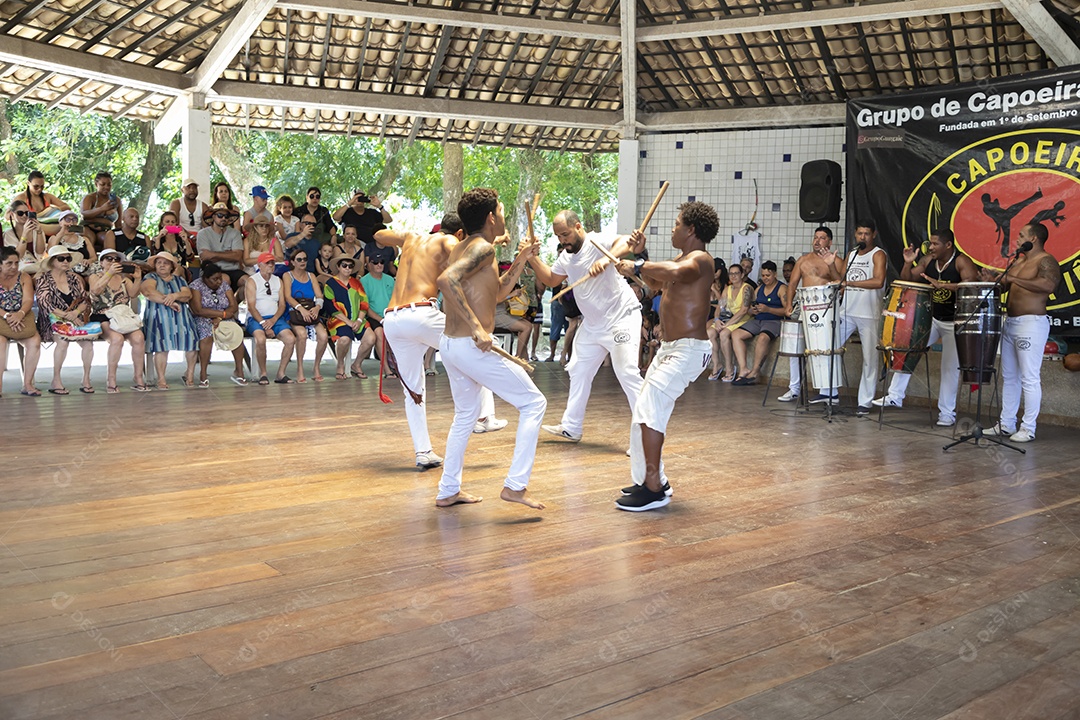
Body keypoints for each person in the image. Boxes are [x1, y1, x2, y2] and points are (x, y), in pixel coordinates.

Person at [435, 188, 545, 509]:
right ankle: (515, 486)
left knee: (466, 416)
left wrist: (522, 259)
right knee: (534, 403)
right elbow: (446, 281)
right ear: (490, 218)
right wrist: (476, 327)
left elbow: (495, 293)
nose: (503, 216)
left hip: (452, 345)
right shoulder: (482, 249)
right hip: (470, 345)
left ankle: (448, 489)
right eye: (501, 211)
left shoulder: (467, 247)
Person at [375, 214, 508, 470]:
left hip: (392, 320)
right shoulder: (448, 241)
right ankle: (484, 416)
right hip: (420, 315)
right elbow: (470, 256)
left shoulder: (411, 237)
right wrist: (494, 241)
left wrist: (402, 239)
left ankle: (423, 452)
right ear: (459, 234)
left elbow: (379, 235)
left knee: (413, 392)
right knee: (475, 344)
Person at [614, 201, 717, 511]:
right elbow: (656, 283)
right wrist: (638, 257)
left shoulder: (701, 260)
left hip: (688, 350)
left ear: (691, 230)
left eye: (676, 224)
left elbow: (674, 272)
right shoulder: (680, 258)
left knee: (649, 408)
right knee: (643, 413)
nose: (673, 229)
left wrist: (639, 265)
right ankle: (649, 479)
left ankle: (654, 489)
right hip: (670, 349)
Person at [525, 210, 643, 444]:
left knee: (627, 373)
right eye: (558, 237)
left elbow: (625, 242)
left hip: (621, 316)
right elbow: (551, 279)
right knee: (578, 369)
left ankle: (645, 437)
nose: (563, 240)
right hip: (593, 324)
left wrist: (606, 259)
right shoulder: (566, 258)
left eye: (566, 234)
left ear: (578, 227)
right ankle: (571, 427)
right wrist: (531, 258)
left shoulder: (596, 241)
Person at [872, 229, 978, 426]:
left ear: (948, 245)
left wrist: (943, 286)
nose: (931, 247)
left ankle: (947, 414)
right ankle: (895, 396)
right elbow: (908, 280)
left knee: (949, 369)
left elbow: (972, 286)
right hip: (932, 319)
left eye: (935, 244)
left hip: (955, 322)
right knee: (907, 347)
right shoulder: (929, 260)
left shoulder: (961, 261)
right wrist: (907, 262)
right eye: (930, 243)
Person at [985, 222, 1062, 442]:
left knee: (1029, 378)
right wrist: (993, 279)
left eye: (1021, 235)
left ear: (1034, 238)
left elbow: (1047, 285)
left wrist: (1011, 278)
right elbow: (1007, 286)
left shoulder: (1046, 260)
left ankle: (1028, 428)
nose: (1017, 239)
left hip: (1031, 323)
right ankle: (1007, 424)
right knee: (1009, 377)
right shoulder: (1019, 261)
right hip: (1010, 322)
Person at [831, 220, 887, 415]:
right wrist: (831, 265)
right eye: (860, 233)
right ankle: (830, 393)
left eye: (866, 234)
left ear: (874, 235)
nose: (863, 237)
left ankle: (865, 402)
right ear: (855, 234)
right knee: (829, 348)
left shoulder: (878, 254)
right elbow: (841, 280)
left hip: (869, 314)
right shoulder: (852, 254)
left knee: (870, 359)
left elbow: (878, 281)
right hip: (846, 311)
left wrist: (851, 284)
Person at [784, 226, 840, 404]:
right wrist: (788, 305)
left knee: (824, 350)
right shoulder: (803, 260)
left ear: (829, 242)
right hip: (804, 308)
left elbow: (840, 283)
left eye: (822, 238)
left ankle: (828, 391)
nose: (817, 241)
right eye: (816, 237)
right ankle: (794, 389)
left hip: (825, 311)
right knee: (795, 349)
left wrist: (830, 264)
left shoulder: (837, 261)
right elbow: (793, 284)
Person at [35, 245, 95, 395]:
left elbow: (85, 300)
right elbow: (44, 303)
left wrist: (75, 313)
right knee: (63, 341)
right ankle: (56, 380)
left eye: (68, 258)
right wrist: (66, 315)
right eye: (61, 258)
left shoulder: (74, 278)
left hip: (75, 318)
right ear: (52, 261)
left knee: (88, 343)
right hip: (51, 319)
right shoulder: (43, 278)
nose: (66, 261)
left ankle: (86, 379)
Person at [88, 249, 147, 392]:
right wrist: (109, 273)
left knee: (139, 337)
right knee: (117, 339)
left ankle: (138, 376)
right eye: (109, 259)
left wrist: (137, 279)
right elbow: (95, 291)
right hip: (103, 315)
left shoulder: (124, 279)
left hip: (122, 316)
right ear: (101, 262)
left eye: (117, 259)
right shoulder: (95, 276)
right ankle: (111, 378)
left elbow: (133, 294)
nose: (113, 261)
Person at [141, 251, 198, 389]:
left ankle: (189, 375)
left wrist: (175, 296)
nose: (162, 265)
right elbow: (148, 292)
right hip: (158, 315)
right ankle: (161, 379)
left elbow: (187, 295)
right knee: (161, 345)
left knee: (192, 341)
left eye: (165, 263)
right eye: (159, 263)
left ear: (172, 266)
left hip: (181, 316)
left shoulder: (179, 280)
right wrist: (169, 302)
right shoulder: (150, 277)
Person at [189, 261, 248, 386]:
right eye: (215, 279)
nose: (219, 281)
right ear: (205, 279)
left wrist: (221, 317)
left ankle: (239, 371)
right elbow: (198, 310)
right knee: (207, 336)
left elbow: (233, 306)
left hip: (224, 318)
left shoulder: (224, 286)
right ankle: (203, 373)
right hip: (203, 318)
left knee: (236, 332)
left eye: (220, 278)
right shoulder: (196, 286)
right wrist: (221, 314)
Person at [730, 260, 787, 385]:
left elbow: (788, 311)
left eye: (768, 275)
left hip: (774, 321)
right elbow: (750, 308)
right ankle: (743, 369)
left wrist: (769, 309)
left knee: (762, 338)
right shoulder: (759, 289)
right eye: (763, 275)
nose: (765, 278)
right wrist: (752, 310)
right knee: (736, 334)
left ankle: (755, 372)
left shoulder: (781, 288)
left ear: (775, 274)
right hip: (758, 320)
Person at [244, 252, 297, 385]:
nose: (271, 265)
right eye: (267, 263)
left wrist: (273, 320)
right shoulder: (252, 280)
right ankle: (263, 373)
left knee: (290, 339)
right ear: (259, 265)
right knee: (260, 339)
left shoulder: (278, 280)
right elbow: (251, 307)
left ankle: (281, 373)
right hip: (256, 318)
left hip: (275, 318)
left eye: (272, 263)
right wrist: (264, 323)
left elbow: (282, 304)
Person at [282, 247, 329, 383]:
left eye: (304, 259)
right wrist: (300, 308)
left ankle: (316, 366)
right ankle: (300, 368)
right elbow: (288, 297)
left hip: (310, 309)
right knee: (301, 335)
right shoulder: (288, 275)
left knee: (323, 336)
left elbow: (319, 295)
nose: (302, 262)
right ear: (293, 262)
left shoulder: (311, 275)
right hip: (294, 311)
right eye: (299, 259)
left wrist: (317, 307)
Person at [0, 247, 42, 397]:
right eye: (9, 263)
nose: (14, 266)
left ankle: (27, 384)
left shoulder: (24, 277)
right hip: (1, 316)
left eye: (16, 263)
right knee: (0, 343)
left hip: (21, 315)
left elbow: (28, 300)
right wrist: (7, 316)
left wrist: (20, 314)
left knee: (34, 341)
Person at [323, 251, 368, 381]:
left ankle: (356, 364)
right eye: (344, 265)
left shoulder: (357, 283)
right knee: (344, 340)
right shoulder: (330, 283)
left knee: (371, 338)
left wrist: (359, 320)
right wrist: (348, 321)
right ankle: (340, 364)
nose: (348, 268)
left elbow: (364, 303)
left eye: (350, 266)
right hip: (338, 320)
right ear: (338, 266)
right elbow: (331, 307)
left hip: (358, 319)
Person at [713, 262, 752, 381]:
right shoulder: (727, 289)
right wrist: (717, 319)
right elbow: (720, 306)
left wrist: (728, 324)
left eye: (736, 273)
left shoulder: (747, 288)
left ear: (742, 275)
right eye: (731, 274)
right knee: (710, 333)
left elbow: (744, 310)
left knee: (724, 334)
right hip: (728, 319)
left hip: (742, 319)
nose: (733, 276)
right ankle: (717, 365)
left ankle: (729, 368)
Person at [358, 255, 395, 375]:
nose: (379, 264)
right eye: (375, 262)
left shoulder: (390, 279)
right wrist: (381, 319)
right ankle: (386, 369)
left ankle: (400, 364)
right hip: (373, 316)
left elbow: (395, 300)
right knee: (379, 333)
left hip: (391, 315)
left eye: (382, 262)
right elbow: (365, 306)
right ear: (369, 265)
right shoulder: (364, 281)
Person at [196, 203, 246, 292]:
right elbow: (205, 257)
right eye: (220, 215)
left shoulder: (235, 233)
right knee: (225, 280)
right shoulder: (203, 233)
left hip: (234, 270)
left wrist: (214, 254)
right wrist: (229, 254)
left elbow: (238, 256)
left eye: (226, 216)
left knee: (248, 281)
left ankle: (236, 300)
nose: (223, 218)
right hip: (212, 271)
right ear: (213, 217)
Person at [16, 170, 72, 236]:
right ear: (28, 183)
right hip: (33, 232)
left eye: (42, 186)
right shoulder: (21, 198)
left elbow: (67, 207)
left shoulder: (47, 196)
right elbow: (8, 215)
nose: (39, 189)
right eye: (36, 186)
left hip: (52, 232)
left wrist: (52, 210)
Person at [778, 256, 800, 402]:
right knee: (793, 352)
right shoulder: (786, 286)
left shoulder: (802, 284)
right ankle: (794, 389)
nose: (787, 274)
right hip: (793, 323)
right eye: (785, 271)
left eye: (790, 271)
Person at [80, 171, 122, 249]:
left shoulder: (116, 200)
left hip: (105, 230)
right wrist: (102, 209)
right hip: (88, 228)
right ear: (96, 184)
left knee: (111, 241)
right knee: (88, 241)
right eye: (103, 184)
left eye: (109, 185)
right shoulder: (90, 198)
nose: (106, 187)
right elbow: (84, 214)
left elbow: (118, 224)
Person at [4, 199, 46, 274]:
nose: (24, 216)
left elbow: (40, 252)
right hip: (19, 270)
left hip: (37, 267)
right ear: (12, 214)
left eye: (27, 213)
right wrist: (25, 234)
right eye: (20, 213)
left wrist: (39, 232)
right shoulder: (8, 234)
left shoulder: (36, 230)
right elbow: (17, 256)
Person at [705, 263, 729, 380]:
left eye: (716, 270)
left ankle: (716, 364)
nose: (714, 273)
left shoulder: (726, 286)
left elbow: (723, 305)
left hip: (718, 315)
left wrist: (715, 291)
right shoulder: (706, 283)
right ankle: (715, 364)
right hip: (707, 313)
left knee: (707, 330)